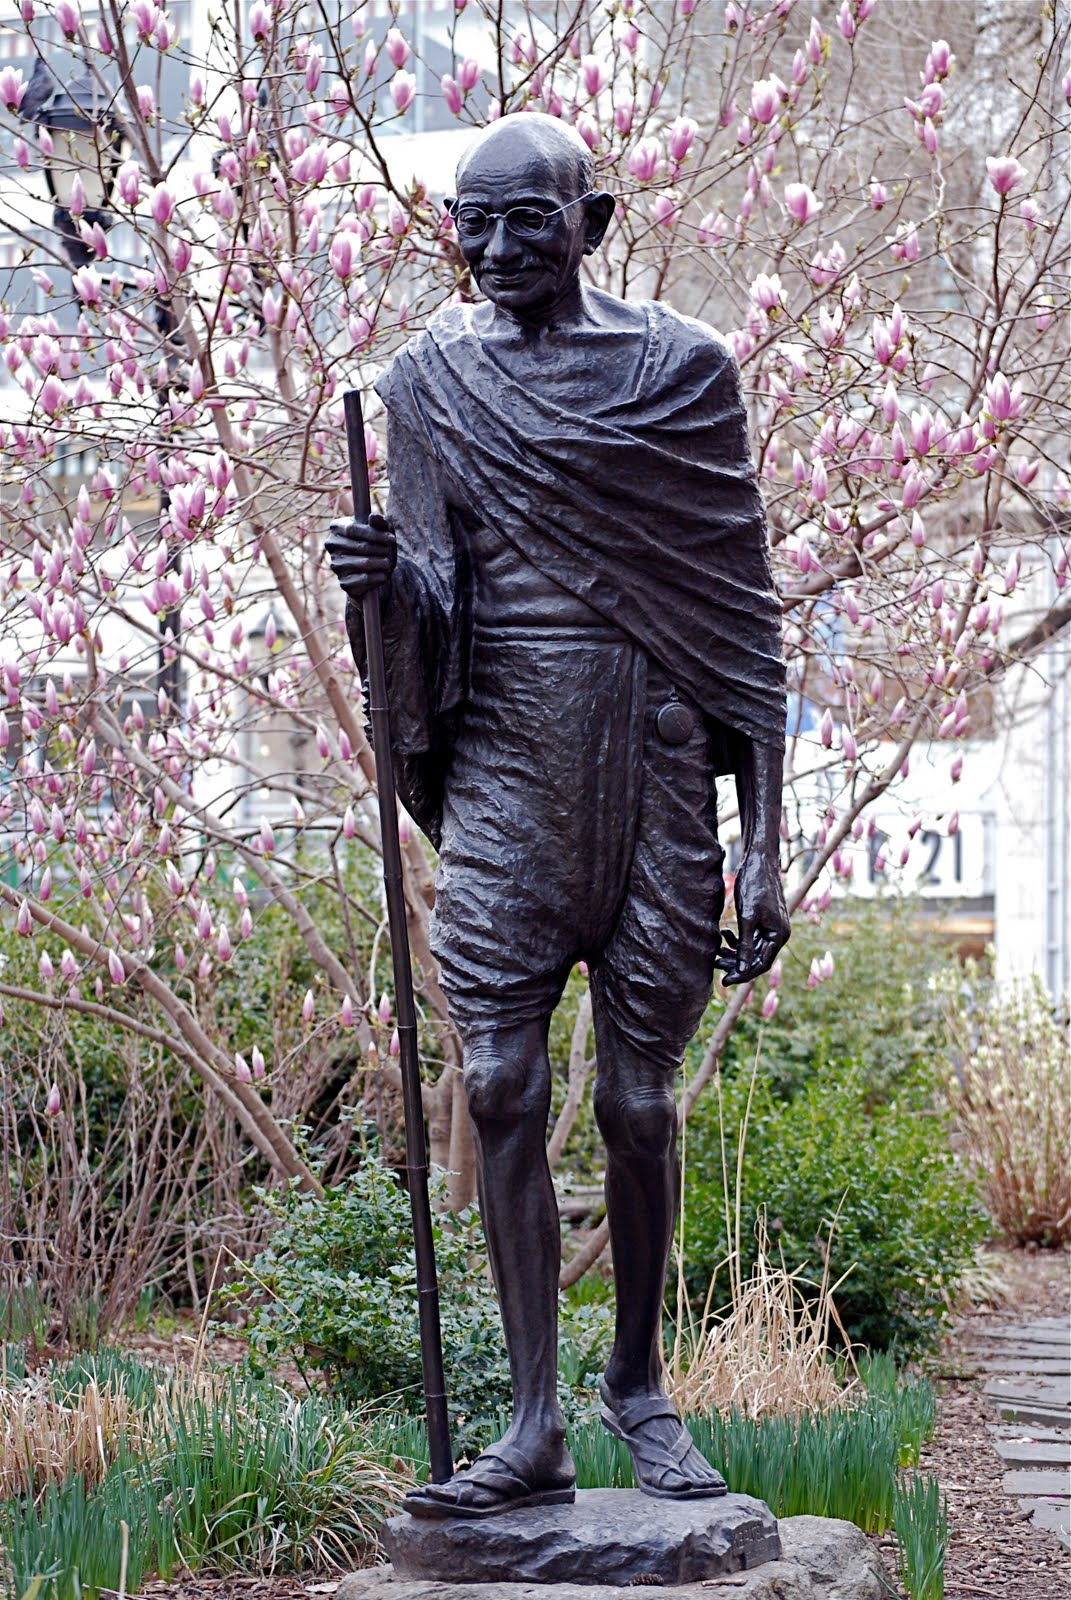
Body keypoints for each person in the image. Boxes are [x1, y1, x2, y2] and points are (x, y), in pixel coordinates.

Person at [327, 112, 789, 1519]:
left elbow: (744, 629)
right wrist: (377, 585)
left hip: (653, 772)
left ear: (591, 226)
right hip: (509, 775)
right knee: (499, 1086)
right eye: (475, 223)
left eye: (532, 221)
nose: (499, 248)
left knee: (639, 1102)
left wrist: (764, 847)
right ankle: (532, 1424)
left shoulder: (683, 373)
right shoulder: (427, 386)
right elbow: (429, 609)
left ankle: (637, 1389)